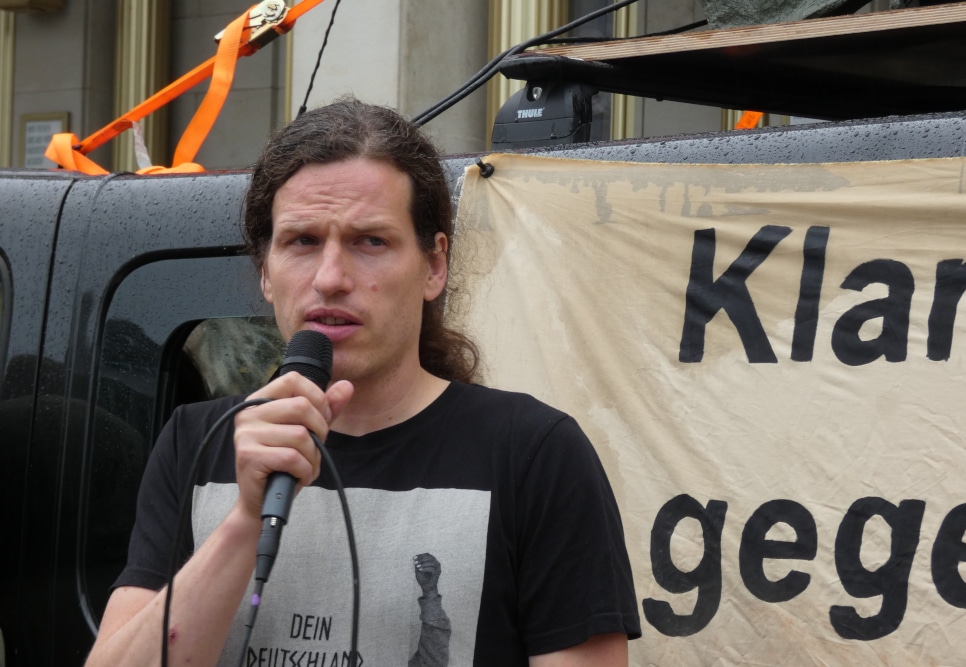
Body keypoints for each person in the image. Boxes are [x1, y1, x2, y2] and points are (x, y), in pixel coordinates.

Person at [86, 97, 640, 665]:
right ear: (265, 272)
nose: (330, 278)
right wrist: (245, 523)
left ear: (433, 266)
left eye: (370, 241)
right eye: (302, 241)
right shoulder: (196, 442)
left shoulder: (535, 453)